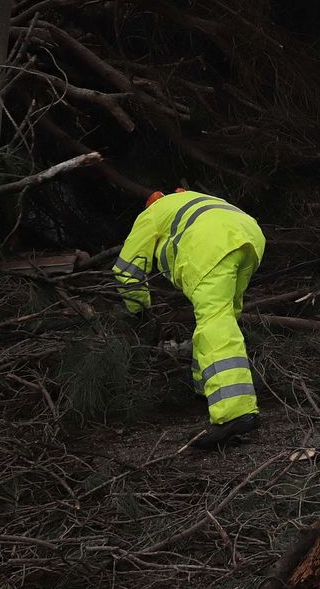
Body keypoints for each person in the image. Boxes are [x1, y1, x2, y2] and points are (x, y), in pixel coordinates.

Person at [114, 188, 265, 448]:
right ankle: (205, 389)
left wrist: (138, 311)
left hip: (211, 245)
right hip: (249, 235)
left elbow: (127, 270)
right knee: (222, 319)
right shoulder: (192, 200)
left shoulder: (152, 213)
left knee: (214, 324)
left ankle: (234, 413)